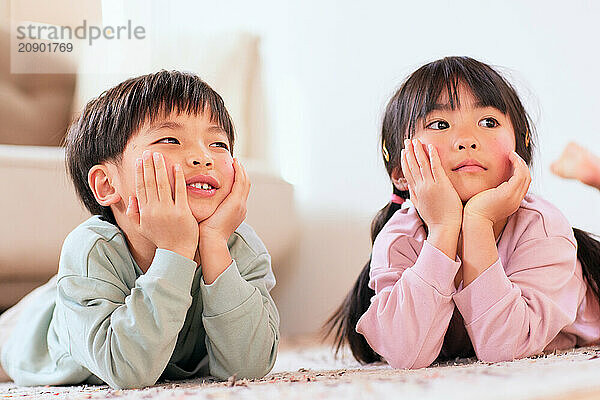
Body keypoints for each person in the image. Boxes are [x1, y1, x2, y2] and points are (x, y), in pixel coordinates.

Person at [0, 70, 280, 389]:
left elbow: (249, 366)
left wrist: (214, 244)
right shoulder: (91, 251)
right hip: (38, 332)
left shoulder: (239, 245)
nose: (203, 157)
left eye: (218, 143)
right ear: (107, 184)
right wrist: (175, 251)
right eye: (171, 139)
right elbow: (128, 372)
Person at [326, 56, 600, 368]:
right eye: (440, 124)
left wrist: (478, 223)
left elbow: (505, 347)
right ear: (401, 172)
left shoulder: (541, 226)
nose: (468, 140)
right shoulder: (400, 236)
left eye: (489, 122)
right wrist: (443, 229)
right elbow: (405, 354)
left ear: (520, 153)